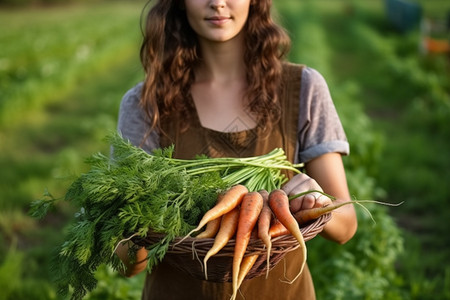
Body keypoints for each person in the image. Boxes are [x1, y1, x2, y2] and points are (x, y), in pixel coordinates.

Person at [115, 0, 358, 299]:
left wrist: (319, 202)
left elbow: (346, 228)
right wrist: (142, 227)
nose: (218, 2)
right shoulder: (146, 104)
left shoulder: (304, 88)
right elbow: (126, 263)